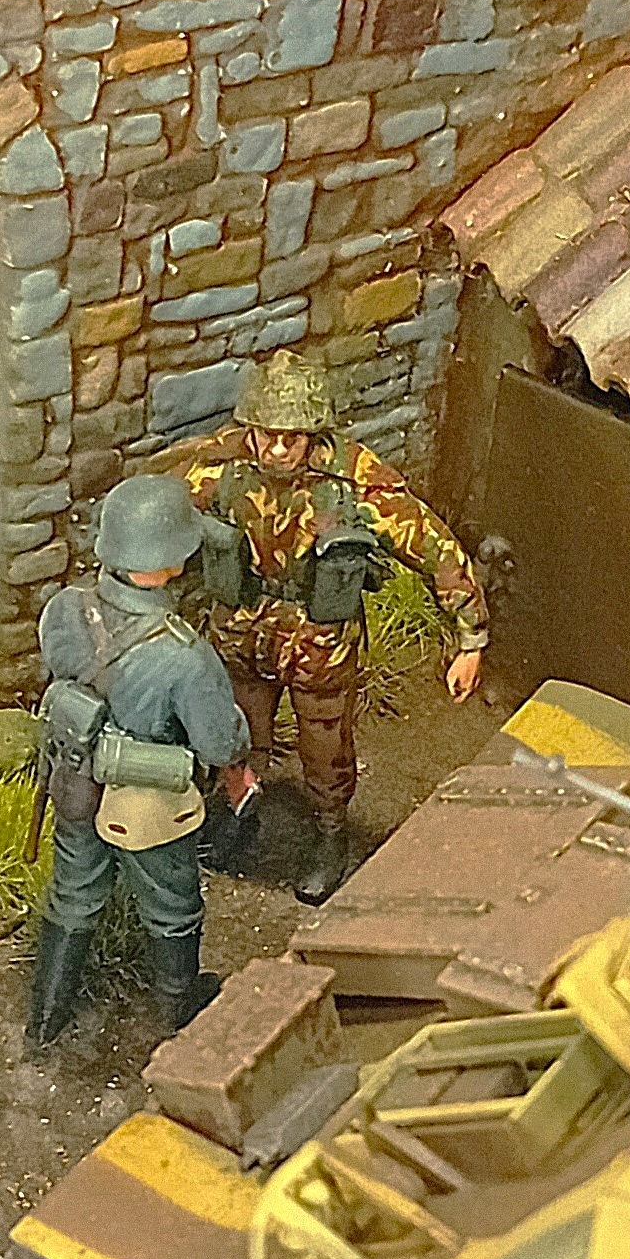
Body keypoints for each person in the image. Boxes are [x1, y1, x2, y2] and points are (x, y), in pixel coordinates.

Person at [182, 349, 488, 904]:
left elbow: (431, 545)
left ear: (313, 432)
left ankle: (329, 834)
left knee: (325, 747)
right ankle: (238, 807)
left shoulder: (352, 478)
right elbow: (162, 523)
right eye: (267, 435)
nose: (278, 449)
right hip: (242, 629)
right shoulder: (219, 464)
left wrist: (470, 638)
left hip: (318, 639)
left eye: (292, 437)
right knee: (238, 733)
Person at [28, 473, 252, 1050]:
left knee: (74, 891)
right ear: (173, 561)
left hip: (74, 777)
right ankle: (179, 1006)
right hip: (146, 796)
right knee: (172, 902)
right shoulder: (185, 655)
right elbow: (219, 746)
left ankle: (45, 1018)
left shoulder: (63, 608)